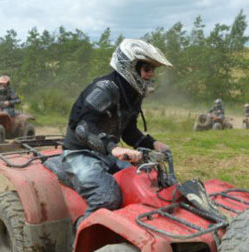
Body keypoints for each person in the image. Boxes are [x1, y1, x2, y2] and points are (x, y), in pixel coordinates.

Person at [61, 39, 172, 229]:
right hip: (80, 154)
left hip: (106, 154)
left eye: (153, 69)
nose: (152, 74)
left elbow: (128, 131)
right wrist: (113, 149)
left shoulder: (132, 93)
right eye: (147, 68)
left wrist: (153, 143)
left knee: (150, 181)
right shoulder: (105, 89)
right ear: (129, 66)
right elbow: (83, 129)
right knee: (106, 196)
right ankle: (82, 244)